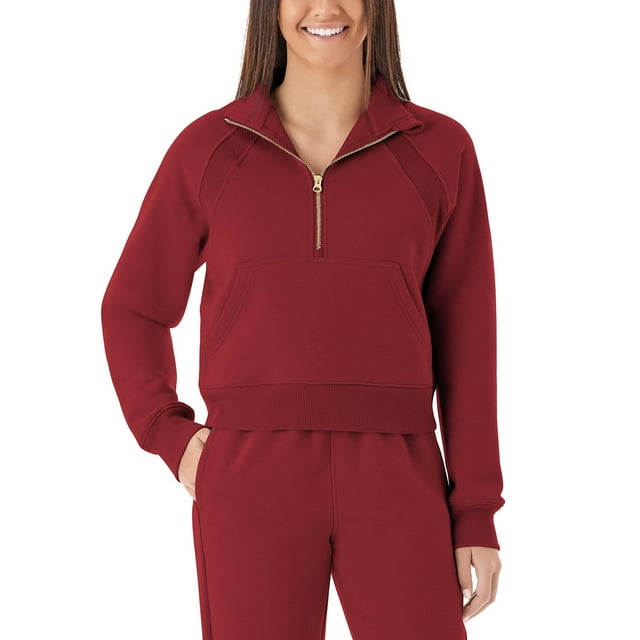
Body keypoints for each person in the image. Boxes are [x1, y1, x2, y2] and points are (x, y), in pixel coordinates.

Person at [101, 0, 506, 638]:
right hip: (251, 472)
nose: (325, 7)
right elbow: (133, 307)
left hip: (399, 472)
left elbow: (468, 337)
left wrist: (476, 508)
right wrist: (167, 433)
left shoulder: (440, 149)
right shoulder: (208, 150)